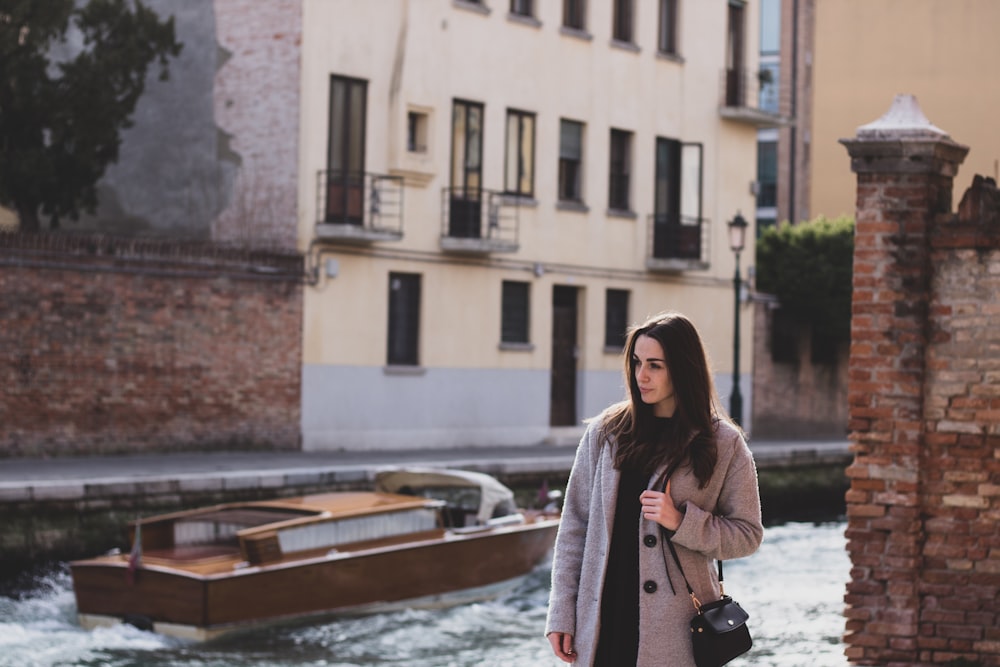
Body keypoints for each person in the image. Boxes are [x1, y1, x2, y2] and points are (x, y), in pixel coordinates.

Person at [545, 311, 763, 666]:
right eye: (636, 362)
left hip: (675, 632)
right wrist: (561, 613)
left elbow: (748, 534)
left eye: (655, 366)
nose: (641, 376)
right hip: (602, 620)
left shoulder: (723, 443)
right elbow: (574, 528)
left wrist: (681, 522)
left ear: (683, 368)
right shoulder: (606, 432)